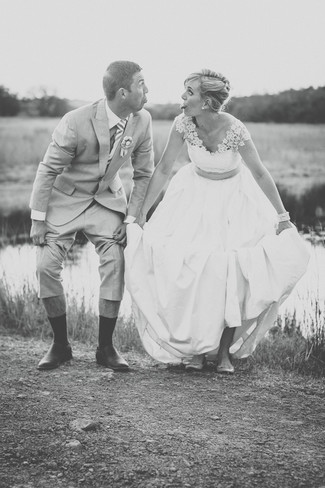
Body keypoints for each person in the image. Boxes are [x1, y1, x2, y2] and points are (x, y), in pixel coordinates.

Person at [125, 69, 310, 373]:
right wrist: (143, 213)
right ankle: (197, 350)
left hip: (235, 202)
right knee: (192, 269)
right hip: (192, 197)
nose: (182, 98)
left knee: (229, 273)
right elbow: (163, 169)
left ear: (208, 101)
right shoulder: (182, 124)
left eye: (189, 92)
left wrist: (283, 217)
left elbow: (260, 173)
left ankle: (222, 353)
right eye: (184, 91)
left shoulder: (236, 129)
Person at [30, 60, 154, 371]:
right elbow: (48, 170)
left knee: (116, 259)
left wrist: (131, 219)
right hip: (65, 199)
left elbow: (143, 175)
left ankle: (105, 348)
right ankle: (60, 345)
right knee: (46, 266)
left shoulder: (143, 120)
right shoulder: (75, 121)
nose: (147, 89)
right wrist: (37, 218)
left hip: (106, 202)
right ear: (123, 92)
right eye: (142, 83)